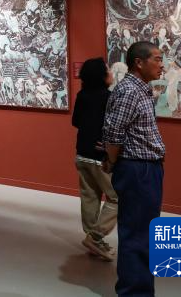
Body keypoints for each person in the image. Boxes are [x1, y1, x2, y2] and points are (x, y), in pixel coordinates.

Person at [103, 41, 165, 296]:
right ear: (139, 62)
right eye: (157, 59)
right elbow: (113, 132)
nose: (161, 65)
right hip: (138, 169)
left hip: (146, 168)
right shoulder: (130, 91)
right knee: (137, 236)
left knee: (144, 234)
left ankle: (140, 289)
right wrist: (113, 162)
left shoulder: (140, 89)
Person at [72, 57, 118, 261]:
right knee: (117, 198)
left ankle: (92, 240)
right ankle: (96, 237)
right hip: (100, 157)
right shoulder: (109, 97)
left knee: (89, 196)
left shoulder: (82, 95)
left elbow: (76, 121)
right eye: (108, 69)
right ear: (101, 75)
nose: (111, 73)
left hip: (82, 153)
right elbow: (114, 126)